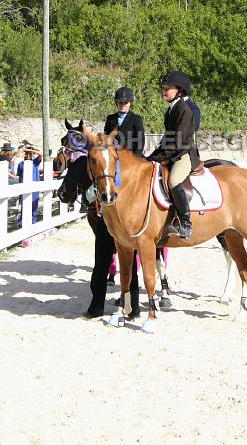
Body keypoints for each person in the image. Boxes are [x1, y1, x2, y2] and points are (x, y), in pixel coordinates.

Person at [86, 86, 145, 319]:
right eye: (119, 102)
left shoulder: (136, 121)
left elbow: (138, 149)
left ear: (130, 103)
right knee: (101, 253)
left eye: (125, 102)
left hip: (128, 169)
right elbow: (102, 145)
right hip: (109, 171)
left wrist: (122, 161)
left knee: (129, 252)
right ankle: (97, 302)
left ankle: (133, 305)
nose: (122, 105)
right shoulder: (111, 119)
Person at [147, 70, 199, 239]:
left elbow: (178, 142)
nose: (164, 91)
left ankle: (186, 222)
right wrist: (152, 156)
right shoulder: (170, 110)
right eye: (163, 88)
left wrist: (161, 157)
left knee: (173, 180)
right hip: (172, 153)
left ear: (180, 91)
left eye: (168, 88)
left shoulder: (184, 110)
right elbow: (167, 139)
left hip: (184, 154)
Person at [17, 145, 42, 226]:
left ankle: (32, 223)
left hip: (34, 188)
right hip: (24, 187)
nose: (27, 155)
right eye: (26, 153)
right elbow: (19, 176)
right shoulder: (21, 164)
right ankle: (22, 224)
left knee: (33, 206)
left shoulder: (35, 162)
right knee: (24, 206)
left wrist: (31, 151)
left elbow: (42, 154)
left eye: (29, 154)